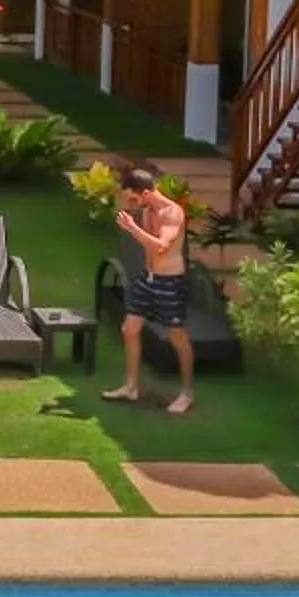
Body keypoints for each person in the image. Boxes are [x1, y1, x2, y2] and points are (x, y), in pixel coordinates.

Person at [105, 167, 196, 415]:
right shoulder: (147, 212)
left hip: (170, 281)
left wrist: (132, 228)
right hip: (149, 278)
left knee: (177, 338)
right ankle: (132, 387)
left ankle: (187, 393)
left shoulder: (172, 213)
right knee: (129, 328)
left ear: (145, 192)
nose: (131, 204)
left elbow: (161, 247)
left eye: (133, 198)